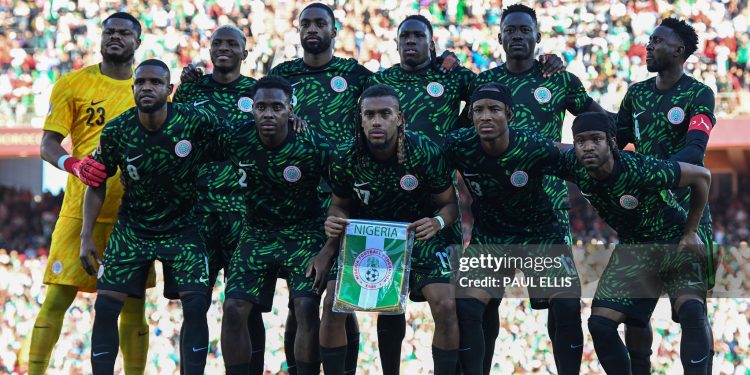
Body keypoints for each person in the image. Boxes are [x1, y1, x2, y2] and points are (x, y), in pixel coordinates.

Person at [469, 4, 606, 372]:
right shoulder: (483, 83)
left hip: (546, 212)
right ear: (499, 38)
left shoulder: (559, 79)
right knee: (480, 305)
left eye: (523, 30)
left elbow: (599, 120)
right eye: (509, 30)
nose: (516, 36)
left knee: (563, 306)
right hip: (493, 216)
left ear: (537, 36)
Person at [307, 84, 460, 375]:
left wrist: (436, 222)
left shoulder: (425, 150)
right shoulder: (345, 155)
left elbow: (450, 206)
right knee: (332, 305)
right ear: (361, 119)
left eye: (385, 114)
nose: (377, 121)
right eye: (370, 114)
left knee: (445, 304)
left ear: (399, 118)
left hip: (419, 234)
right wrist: (333, 221)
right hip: (367, 238)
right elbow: (339, 205)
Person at [81, 59, 220, 375]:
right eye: (140, 82)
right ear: (133, 89)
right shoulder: (117, 129)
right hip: (134, 228)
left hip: (185, 226)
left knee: (197, 307)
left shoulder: (195, 121)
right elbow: (96, 182)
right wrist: (86, 234)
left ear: (169, 90)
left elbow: (239, 139)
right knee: (104, 307)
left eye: (155, 82)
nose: (147, 87)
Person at [30, 12, 150, 375]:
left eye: (124, 33)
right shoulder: (73, 83)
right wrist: (73, 165)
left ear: (137, 42)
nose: (115, 37)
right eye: (109, 32)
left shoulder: (148, 85)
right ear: (100, 38)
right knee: (57, 297)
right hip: (79, 209)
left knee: (133, 305)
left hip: (133, 215)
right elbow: (47, 144)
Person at [443, 83, 582, 375]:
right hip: (490, 237)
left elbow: (578, 165)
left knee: (567, 307)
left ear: (509, 114)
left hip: (540, 235)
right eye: (478, 110)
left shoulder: (533, 145)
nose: (485, 116)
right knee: (466, 307)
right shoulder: (458, 145)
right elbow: (425, 166)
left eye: (494, 109)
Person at [560, 112, 711, 374]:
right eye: (581, 141)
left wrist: (691, 232)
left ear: (612, 143)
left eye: (596, 139)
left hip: (673, 239)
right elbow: (543, 148)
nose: (588, 146)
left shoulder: (641, 169)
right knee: (600, 324)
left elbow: (702, 177)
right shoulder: (574, 165)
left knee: (691, 311)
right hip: (634, 247)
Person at [615, 18, 717, 374]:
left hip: (687, 214)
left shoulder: (699, 93)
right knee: (634, 316)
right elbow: (615, 141)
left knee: (691, 308)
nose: (648, 46)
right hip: (643, 218)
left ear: (679, 51)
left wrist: (649, 175)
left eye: (657, 41)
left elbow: (695, 149)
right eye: (649, 40)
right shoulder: (636, 93)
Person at [217, 75, 333, 375]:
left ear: (290, 110)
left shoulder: (313, 144)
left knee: (306, 308)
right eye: (261, 107)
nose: (268, 113)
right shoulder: (235, 138)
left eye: (277, 107)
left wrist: (328, 248)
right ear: (252, 109)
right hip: (257, 232)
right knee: (232, 310)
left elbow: (342, 194)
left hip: (304, 232)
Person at [170, 24, 260, 374]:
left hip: (244, 215)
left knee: (244, 307)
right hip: (198, 215)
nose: (223, 48)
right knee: (194, 305)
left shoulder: (257, 92)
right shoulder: (191, 91)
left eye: (231, 43)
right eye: (217, 43)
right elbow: (175, 141)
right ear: (209, 51)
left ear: (244, 52)